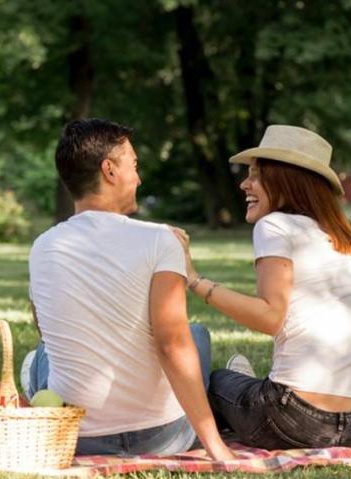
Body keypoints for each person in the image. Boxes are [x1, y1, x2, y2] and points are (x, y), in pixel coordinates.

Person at [24, 118, 234, 460]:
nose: (139, 177)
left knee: (45, 352)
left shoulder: (43, 246)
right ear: (109, 170)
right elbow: (171, 345)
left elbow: (46, 329)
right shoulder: (160, 240)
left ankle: (33, 373)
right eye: (133, 165)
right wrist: (216, 446)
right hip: (160, 437)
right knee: (195, 336)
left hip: (76, 436)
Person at [173, 124, 351, 450]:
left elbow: (270, 317)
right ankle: (252, 386)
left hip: (296, 422)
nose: (244, 184)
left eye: (256, 175)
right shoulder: (337, 237)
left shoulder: (274, 225)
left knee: (217, 381)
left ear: (286, 179)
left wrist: (194, 279)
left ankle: (245, 387)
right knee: (240, 385)